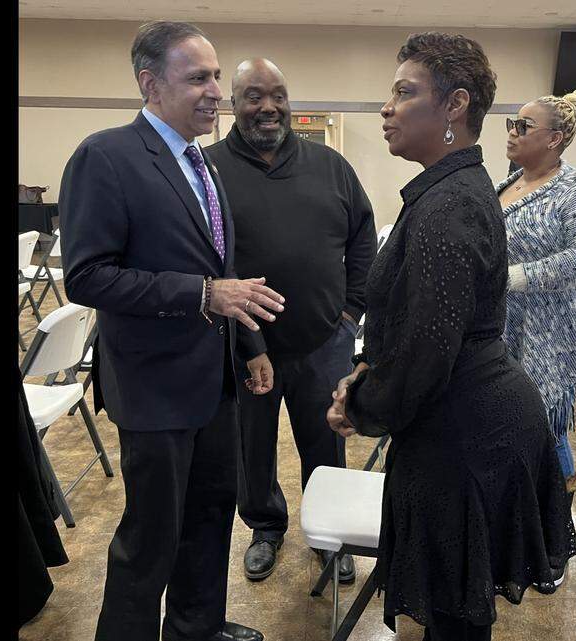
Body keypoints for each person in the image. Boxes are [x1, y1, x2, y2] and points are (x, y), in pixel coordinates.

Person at [327, 33, 576, 641]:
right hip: (465, 417)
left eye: (404, 92)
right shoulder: (455, 190)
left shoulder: (448, 208)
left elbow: (428, 352)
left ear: (455, 106)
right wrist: (368, 377)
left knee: (455, 620)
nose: (386, 108)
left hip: (467, 434)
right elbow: (424, 329)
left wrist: (361, 405)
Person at [59, 21, 284, 641]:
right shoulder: (105, 156)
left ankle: (196, 628)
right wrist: (201, 294)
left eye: (217, 76)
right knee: (151, 534)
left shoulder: (200, 163)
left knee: (210, 517)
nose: (217, 90)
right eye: (199, 78)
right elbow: (88, 276)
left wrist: (252, 347)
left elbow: (220, 266)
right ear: (149, 84)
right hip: (153, 387)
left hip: (214, 382)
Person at [205, 58, 377, 584]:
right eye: (253, 96)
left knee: (325, 442)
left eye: (277, 94)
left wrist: (350, 314)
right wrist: (244, 337)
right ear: (233, 104)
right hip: (243, 346)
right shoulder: (208, 170)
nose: (268, 107)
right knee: (251, 448)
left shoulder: (331, 166)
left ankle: (330, 535)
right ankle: (264, 526)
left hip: (325, 340)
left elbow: (363, 241)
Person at [496, 88, 576, 503]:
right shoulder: (506, 183)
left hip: (552, 333)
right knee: (515, 424)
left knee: (544, 426)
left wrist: (515, 277)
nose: (512, 132)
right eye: (511, 123)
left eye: (523, 126)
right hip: (504, 327)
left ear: (553, 138)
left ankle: (556, 532)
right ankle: (521, 518)